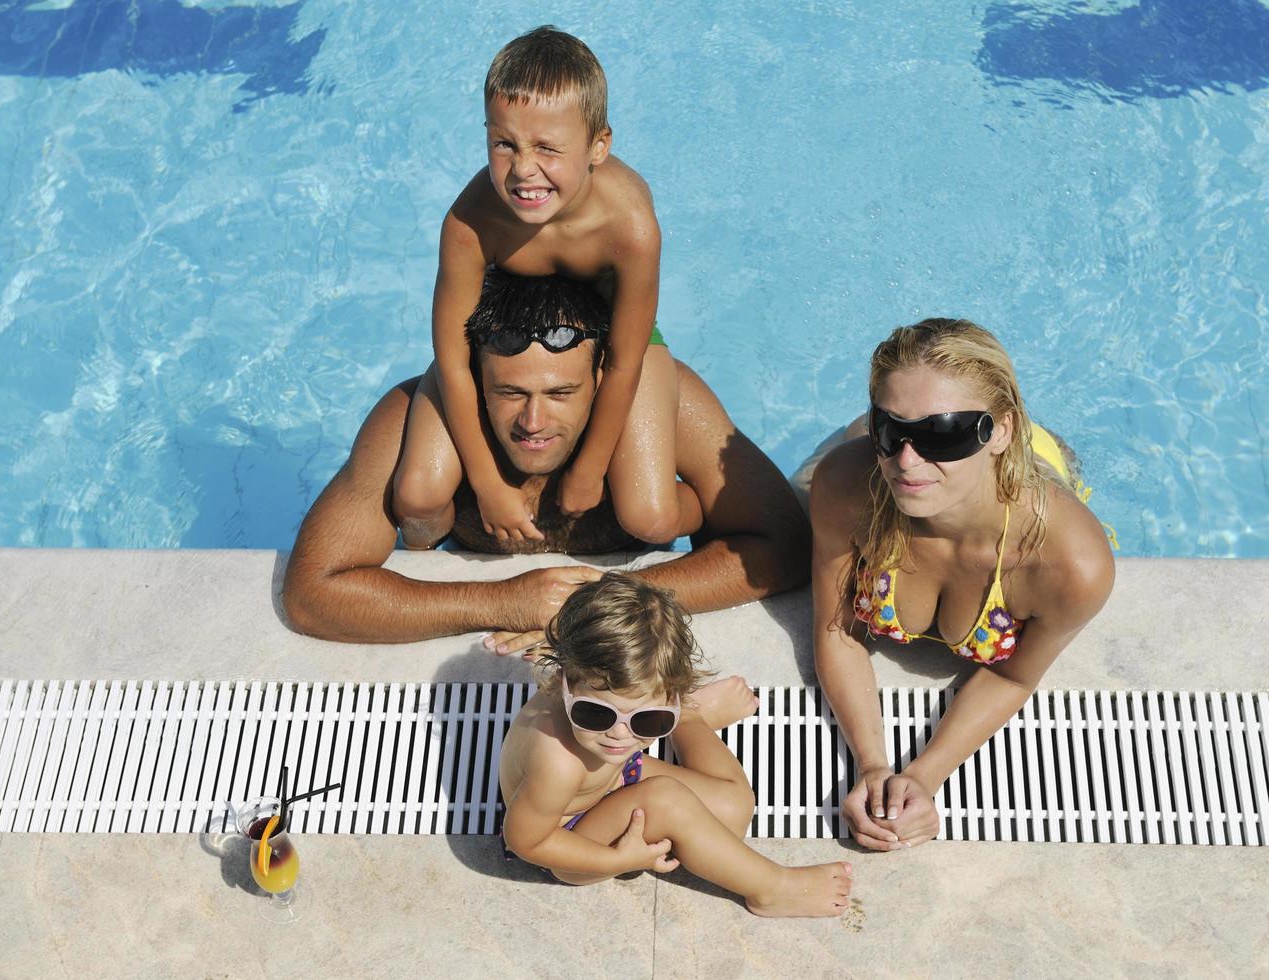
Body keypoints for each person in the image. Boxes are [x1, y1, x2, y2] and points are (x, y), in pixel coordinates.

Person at [281, 270, 809, 648]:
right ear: (474, 379)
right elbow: (311, 594)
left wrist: (598, 601)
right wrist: (498, 603)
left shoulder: (662, 406)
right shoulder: (412, 420)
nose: (533, 423)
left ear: (603, 377)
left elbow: (785, 546)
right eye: (510, 392)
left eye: (560, 394)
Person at [809, 318, 1115, 850]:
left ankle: (1036, 443)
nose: (907, 460)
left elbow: (1013, 679)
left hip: (1027, 471)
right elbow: (838, 631)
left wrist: (926, 776)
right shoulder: (849, 486)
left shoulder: (1069, 562)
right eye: (890, 428)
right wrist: (873, 764)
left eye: (943, 434)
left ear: (1000, 429)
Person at [393, 25, 697, 552]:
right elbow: (451, 358)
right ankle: (429, 555)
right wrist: (486, 484)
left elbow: (625, 359)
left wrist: (591, 467)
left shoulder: (629, 227)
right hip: (510, 339)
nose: (523, 170)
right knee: (416, 496)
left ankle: (704, 503)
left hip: (608, 337)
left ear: (598, 145)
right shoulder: (471, 223)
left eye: (547, 148)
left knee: (649, 515)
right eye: (503, 144)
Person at [500, 573, 853, 917]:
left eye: (649, 720)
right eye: (595, 715)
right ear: (564, 681)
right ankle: (772, 888)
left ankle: (690, 715)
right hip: (570, 841)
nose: (621, 735)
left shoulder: (607, 728)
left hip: (610, 780)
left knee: (734, 809)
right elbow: (525, 840)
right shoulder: (558, 761)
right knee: (668, 801)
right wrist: (618, 860)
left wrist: (662, 716)